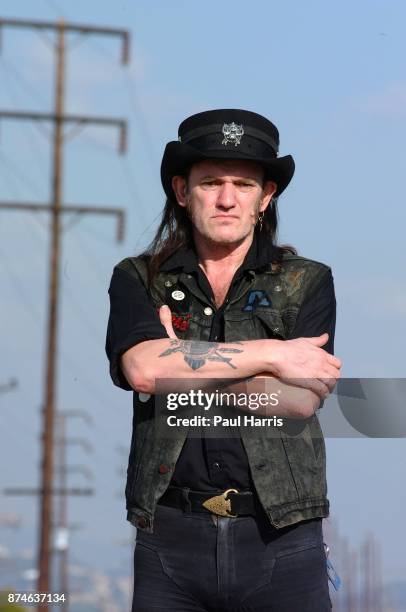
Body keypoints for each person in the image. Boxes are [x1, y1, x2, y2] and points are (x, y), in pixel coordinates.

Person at [105, 109, 341, 611]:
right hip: (170, 538)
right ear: (182, 190)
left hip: (282, 537)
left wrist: (183, 368)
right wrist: (270, 355)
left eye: (243, 183)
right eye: (211, 182)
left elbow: (298, 401)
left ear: (266, 196)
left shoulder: (307, 281)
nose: (227, 198)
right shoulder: (138, 278)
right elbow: (144, 369)